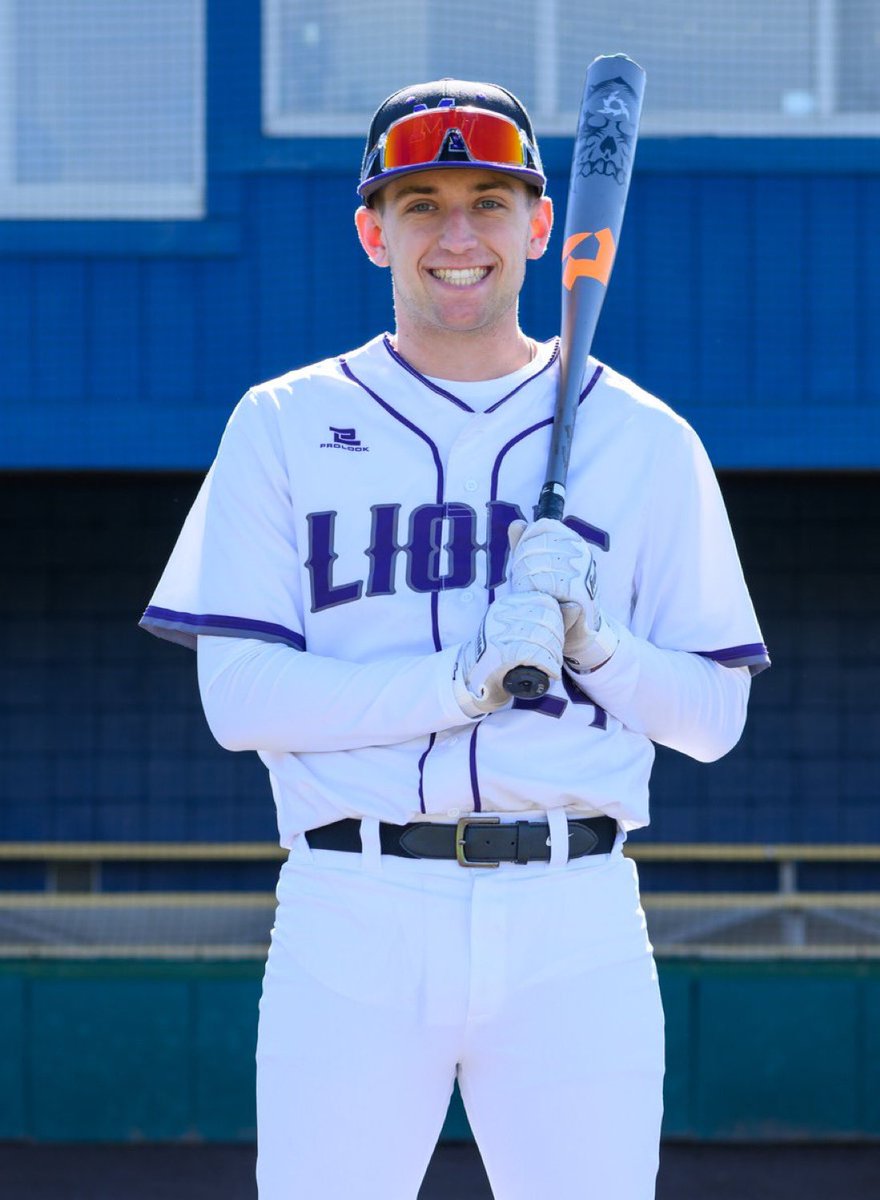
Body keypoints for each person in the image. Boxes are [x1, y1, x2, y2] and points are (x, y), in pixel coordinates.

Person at [141, 78, 769, 1200]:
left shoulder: (645, 439)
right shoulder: (281, 423)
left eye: (489, 199)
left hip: (572, 914)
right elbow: (238, 699)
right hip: (353, 905)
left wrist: (594, 643)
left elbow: (715, 721)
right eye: (421, 203)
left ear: (543, 225)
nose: (458, 234)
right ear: (371, 230)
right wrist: (458, 682)